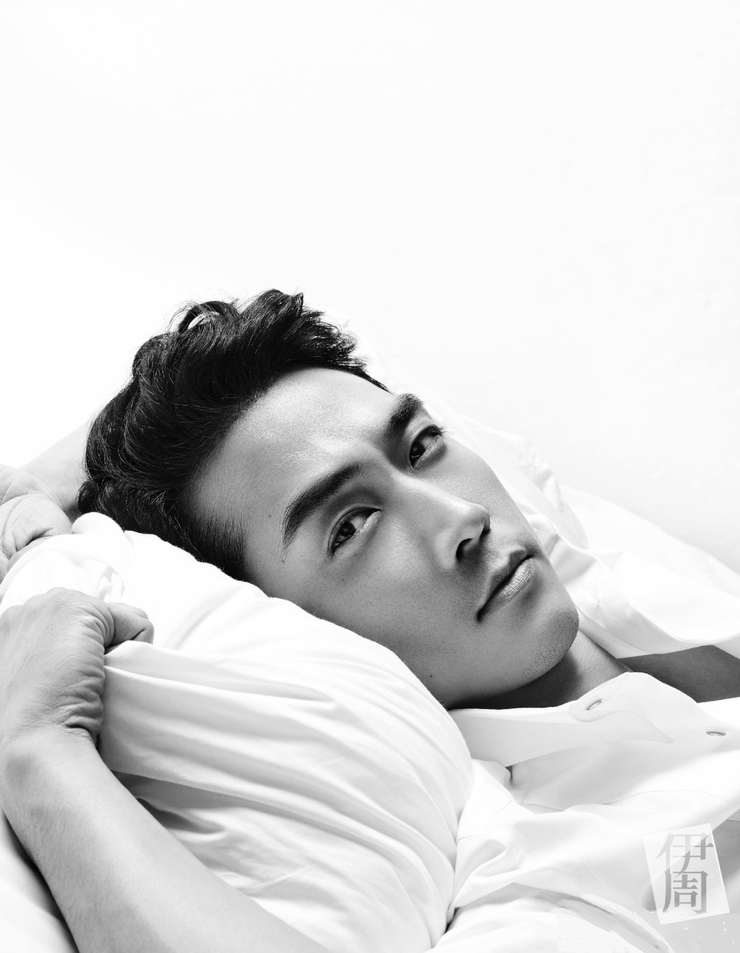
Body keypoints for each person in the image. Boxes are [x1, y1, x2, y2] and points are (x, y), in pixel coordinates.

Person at [1, 290, 739, 952]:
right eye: (351, 526)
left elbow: (316, 332)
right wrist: (39, 750)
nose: (463, 516)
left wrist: (36, 487)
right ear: (286, 621)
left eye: (421, 447)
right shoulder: (562, 862)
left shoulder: (584, 559)